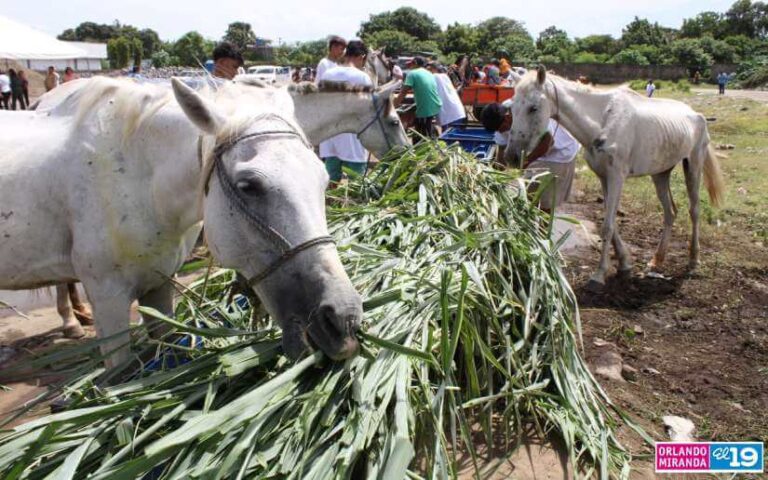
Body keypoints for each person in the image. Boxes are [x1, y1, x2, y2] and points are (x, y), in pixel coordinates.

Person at [481, 101, 580, 212]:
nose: (501, 131)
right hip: (539, 150)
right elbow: (501, 155)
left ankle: (543, 227)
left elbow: (548, 141)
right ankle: (537, 222)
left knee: (543, 202)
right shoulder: (500, 123)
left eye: (501, 128)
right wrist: (493, 178)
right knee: (530, 197)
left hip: (560, 150)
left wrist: (526, 162)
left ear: (507, 118)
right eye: (498, 130)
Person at [317, 39, 373, 186]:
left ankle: (329, 207)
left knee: (331, 182)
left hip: (330, 137)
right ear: (361, 57)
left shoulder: (328, 74)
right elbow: (367, 109)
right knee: (356, 185)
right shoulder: (362, 77)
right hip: (353, 138)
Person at [394, 56, 442, 139]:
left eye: (411, 65)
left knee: (421, 135)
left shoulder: (412, 73)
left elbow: (403, 92)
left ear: (415, 63)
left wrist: (394, 105)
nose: (410, 67)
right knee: (425, 129)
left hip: (426, 108)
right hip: (435, 104)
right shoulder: (429, 73)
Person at [426, 62, 466, 129]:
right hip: (457, 111)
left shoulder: (434, 77)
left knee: (447, 136)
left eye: (428, 68)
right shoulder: (444, 76)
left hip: (448, 114)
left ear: (433, 68)